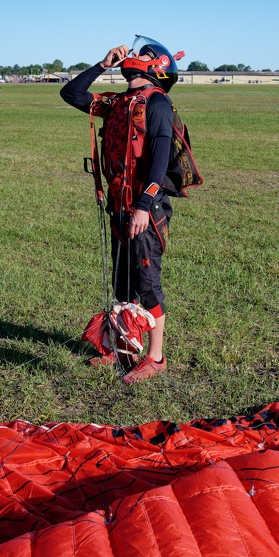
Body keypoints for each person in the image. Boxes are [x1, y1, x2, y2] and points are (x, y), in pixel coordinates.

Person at [61, 36, 198, 384]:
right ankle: (121, 347)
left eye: (144, 53)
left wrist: (143, 206)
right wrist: (102, 64)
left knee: (147, 284)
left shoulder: (158, 105)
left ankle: (156, 357)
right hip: (119, 207)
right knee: (122, 282)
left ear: (158, 67)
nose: (134, 54)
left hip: (146, 210)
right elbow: (72, 94)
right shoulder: (119, 103)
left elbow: (160, 160)